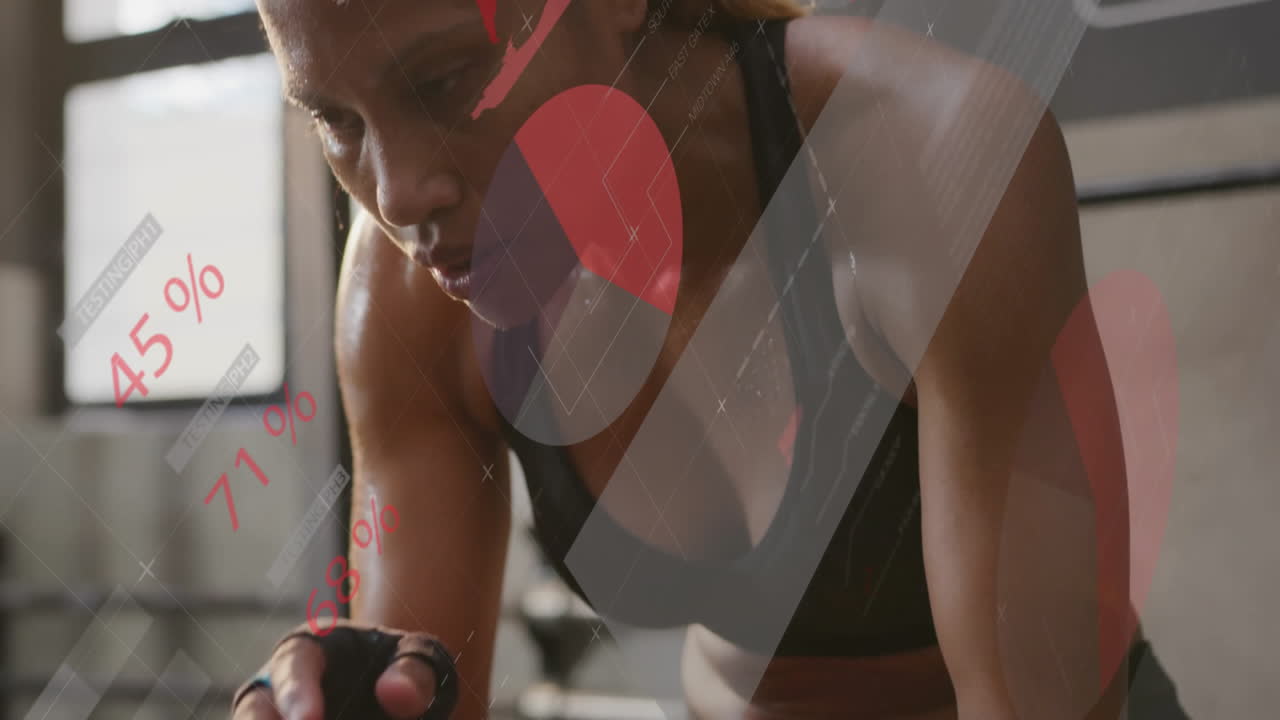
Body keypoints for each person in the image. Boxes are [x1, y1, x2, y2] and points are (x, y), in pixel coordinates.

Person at [234, 0, 1190, 718]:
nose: (399, 197)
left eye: (443, 82)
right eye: (336, 121)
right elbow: (420, 687)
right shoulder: (410, 292)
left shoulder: (927, 156)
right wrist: (354, 692)